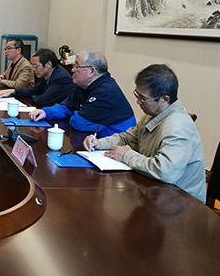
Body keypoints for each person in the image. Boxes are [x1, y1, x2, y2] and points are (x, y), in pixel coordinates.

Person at [83, 64, 206, 203]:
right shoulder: (154, 115)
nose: (138, 102)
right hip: (156, 192)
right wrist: (99, 143)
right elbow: (128, 138)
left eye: (143, 98)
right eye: (137, 95)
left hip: (181, 203)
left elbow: (165, 171)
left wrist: (127, 156)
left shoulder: (177, 127)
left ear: (165, 99)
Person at [30, 49, 136, 137]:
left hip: (114, 147)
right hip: (94, 141)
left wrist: (73, 114)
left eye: (77, 66)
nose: (72, 70)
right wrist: (46, 112)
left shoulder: (105, 91)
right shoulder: (84, 85)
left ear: (92, 71)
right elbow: (66, 106)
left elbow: (79, 123)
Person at [0, 48, 75, 106]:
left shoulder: (60, 78)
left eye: (36, 66)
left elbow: (43, 100)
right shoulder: (47, 74)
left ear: (48, 64)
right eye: (32, 66)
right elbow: (34, 90)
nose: (33, 69)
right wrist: (13, 91)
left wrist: (32, 96)